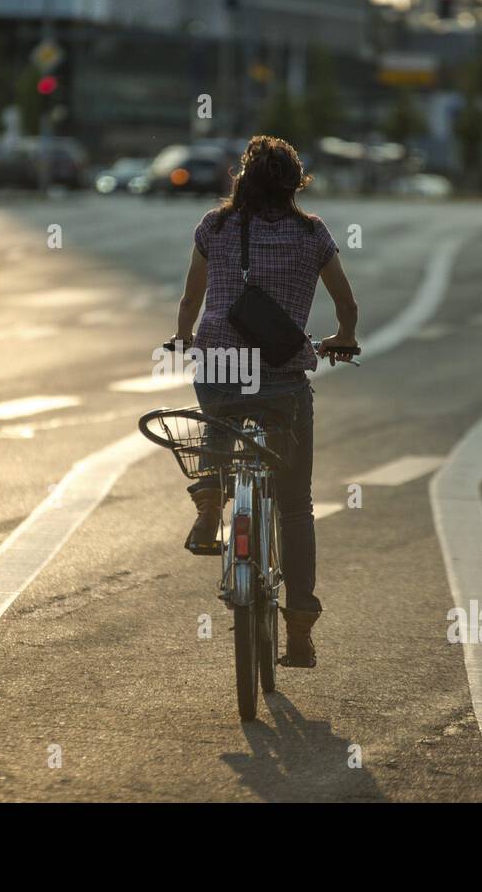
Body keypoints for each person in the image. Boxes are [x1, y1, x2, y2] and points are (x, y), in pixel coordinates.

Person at [172, 134, 359, 669]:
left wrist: (185, 338)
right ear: (295, 183)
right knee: (295, 504)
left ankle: (210, 498)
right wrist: (342, 338)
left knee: (218, 416)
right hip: (281, 376)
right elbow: (346, 303)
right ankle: (299, 628)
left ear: (242, 178)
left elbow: (192, 297)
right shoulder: (312, 233)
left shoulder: (215, 226)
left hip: (220, 367)